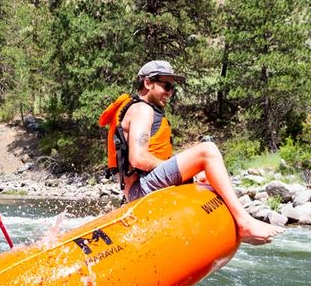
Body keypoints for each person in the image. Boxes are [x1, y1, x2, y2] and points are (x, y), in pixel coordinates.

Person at [99, 60, 284, 245]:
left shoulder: (141, 108)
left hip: (139, 188)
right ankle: (244, 222)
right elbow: (138, 158)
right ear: (148, 83)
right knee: (207, 151)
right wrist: (179, 172)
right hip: (140, 191)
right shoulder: (142, 109)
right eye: (167, 86)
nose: (170, 92)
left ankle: (235, 230)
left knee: (206, 177)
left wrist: (188, 175)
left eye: (173, 88)